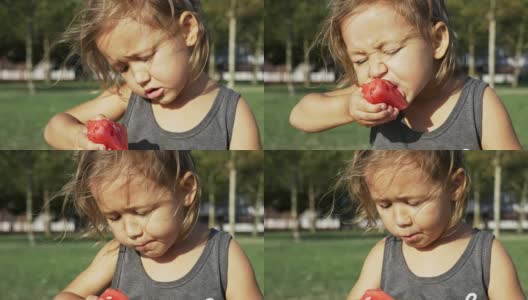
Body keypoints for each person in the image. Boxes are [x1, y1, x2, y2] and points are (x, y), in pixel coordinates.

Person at [289, 0, 521, 150]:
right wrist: (348, 108)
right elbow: (299, 115)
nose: (375, 69)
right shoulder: (368, 97)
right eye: (360, 60)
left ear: (436, 41)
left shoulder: (477, 104)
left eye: (391, 51)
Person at [44, 0, 261, 150]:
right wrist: (78, 139)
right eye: (123, 68)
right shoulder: (129, 97)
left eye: (146, 57)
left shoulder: (231, 113)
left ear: (187, 30)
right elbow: (54, 128)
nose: (139, 78)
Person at [53, 151, 263, 300]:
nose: (131, 231)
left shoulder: (222, 255)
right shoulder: (118, 255)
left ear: (186, 191)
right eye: (114, 217)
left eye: (142, 212)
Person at [337, 150, 525, 299]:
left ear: (454, 186)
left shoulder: (486, 255)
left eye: (414, 203)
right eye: (385, 205)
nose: (401, 220)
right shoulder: (383, 257)